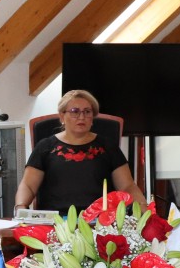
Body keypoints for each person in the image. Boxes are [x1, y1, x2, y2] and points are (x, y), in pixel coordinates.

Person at [14, 89, 146, 215]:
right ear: (62, 116)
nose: (81, 117)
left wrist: (144, 208)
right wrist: (20, 206)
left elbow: (127, 186)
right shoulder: (45, 147)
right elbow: (28, 185)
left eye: (87, 112)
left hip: (99, 222)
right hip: (54, 221)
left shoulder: (108, 147)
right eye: (74, 111)